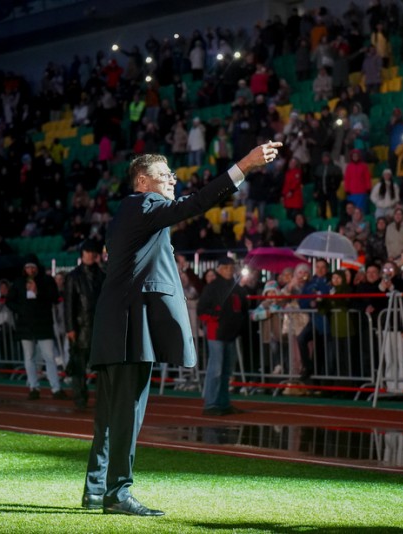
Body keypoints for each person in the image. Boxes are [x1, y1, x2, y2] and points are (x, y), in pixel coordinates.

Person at [82, 140, 281, 516]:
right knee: (128, 413)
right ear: (143, 181)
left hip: (115, 322)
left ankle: (96, 490)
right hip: (129, 325)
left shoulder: (129, 211)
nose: (173, 179)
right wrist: (246, 164)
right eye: (165, 174)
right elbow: (196, 203)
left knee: (109, 414)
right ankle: (117, 494)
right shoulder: (146, 204)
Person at [4, 257, 64, 399]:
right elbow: (9, 301)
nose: (30, 270)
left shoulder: (47, 280)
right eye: (27, 267)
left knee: (49, 356)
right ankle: (33, 387)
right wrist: (21, 310)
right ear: (24, 269)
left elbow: (54, 297)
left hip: (43, 323)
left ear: (37, 268)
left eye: (33, 267)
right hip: (26, 324)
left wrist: (38, 291)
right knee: (29, 357)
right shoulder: (19, 283)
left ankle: (56, 388)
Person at [197, 256, 249, 416]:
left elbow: (243, 310)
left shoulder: (237, 288)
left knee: (226, 371)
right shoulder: (213, 287)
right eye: (226, 267)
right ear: (219, 269)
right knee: (217, 370)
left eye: (231, 267)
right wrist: (216, 317)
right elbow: (202, 311)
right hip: (217, 333)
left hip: (230, 334)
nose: (229, 270)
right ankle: (211, 404)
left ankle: (223, 403)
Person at [64, 240, 106, 409]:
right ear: (82, 254)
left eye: (92, 252)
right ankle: (80, 398)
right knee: (79, 367)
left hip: (99, 329)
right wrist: (70, 328)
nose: (90, 255)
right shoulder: (73, 277)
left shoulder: (103, 276)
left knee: (102, 368)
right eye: (87, 252)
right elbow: (68, 305)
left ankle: (103, 398)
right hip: (81, 329)